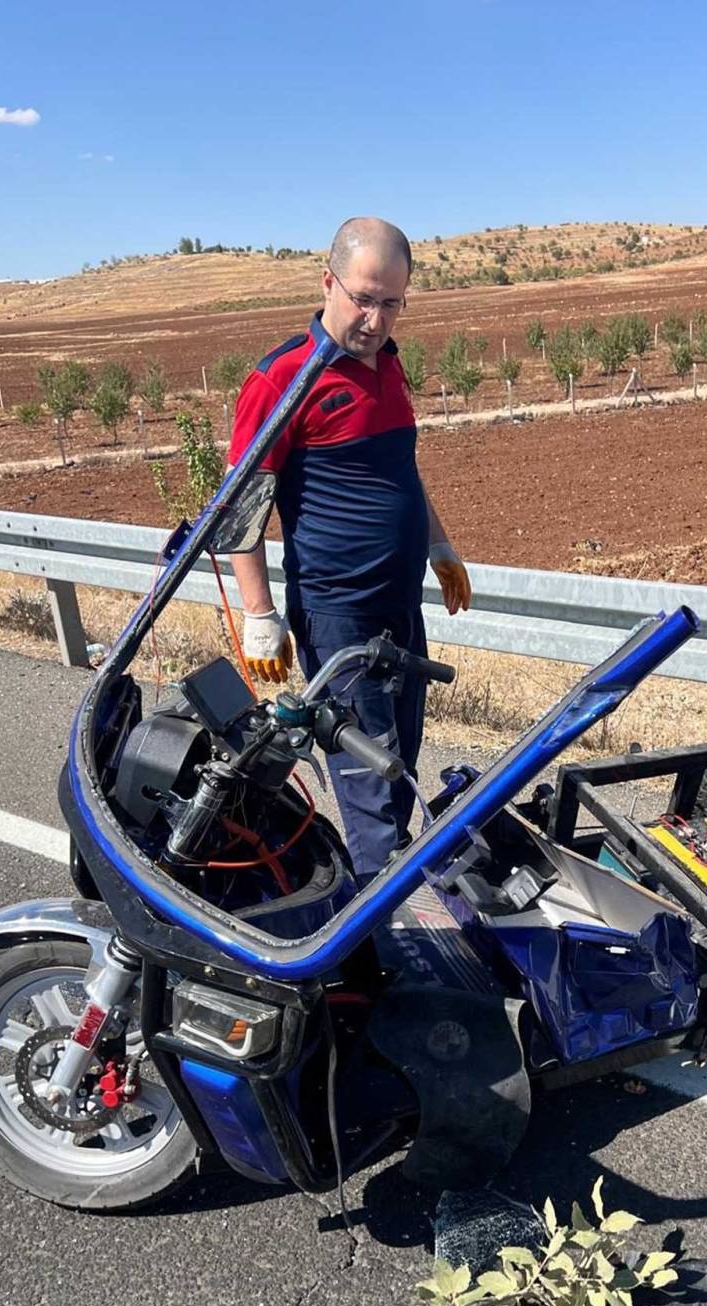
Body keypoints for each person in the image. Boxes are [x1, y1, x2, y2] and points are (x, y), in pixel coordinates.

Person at [227, 216, 471, 882]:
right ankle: (381, 950)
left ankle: (394, 909)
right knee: (372, 791)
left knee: (400, 766)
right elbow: (240, 505)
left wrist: (440, 546)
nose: (375, 317)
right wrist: (259, 614)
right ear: (328, 282)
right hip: (340, 617)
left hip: (400, 609)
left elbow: (401, 474)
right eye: (362, 297)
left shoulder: (390, 369)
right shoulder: (285, 378)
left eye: (391, 302)